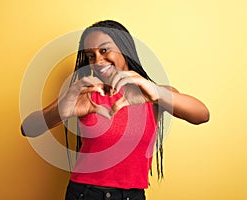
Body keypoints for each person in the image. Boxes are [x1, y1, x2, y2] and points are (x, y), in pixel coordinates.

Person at [21, 20, 210, 200]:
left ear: (125, 50)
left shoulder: (153, 94)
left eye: (104, 50)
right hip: (85, 194)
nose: (98, 60)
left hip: (132, 195)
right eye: (90, 55)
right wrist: (63, 109)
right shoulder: (87, 94)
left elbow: (202, 115)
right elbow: (28, 128)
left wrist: (157, 92)